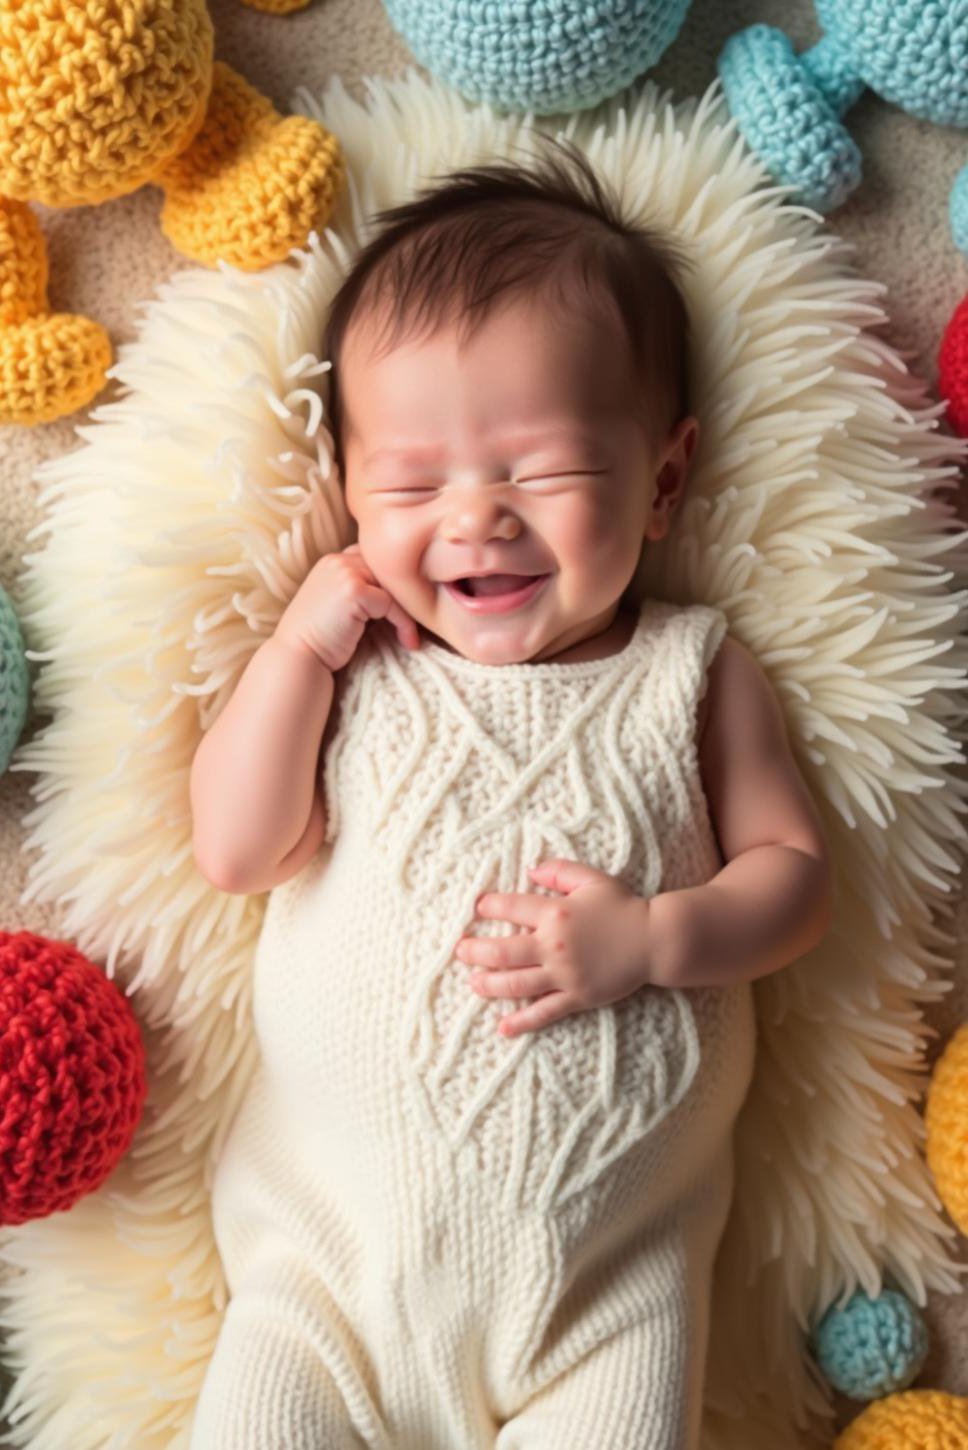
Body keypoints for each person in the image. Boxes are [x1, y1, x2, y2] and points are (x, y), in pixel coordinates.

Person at [187, 137, 832, 1450]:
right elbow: (238, 849)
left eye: (536, 469)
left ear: (662, 479)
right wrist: (291, 653)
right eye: (414, 483)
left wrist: (658, 937)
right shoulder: (358, 661)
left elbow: (796, 880)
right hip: (323, 1291)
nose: (474, 516)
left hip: (607, 1309)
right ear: (351, 498)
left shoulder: (693, 673)